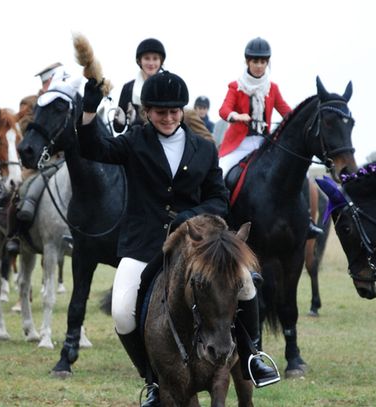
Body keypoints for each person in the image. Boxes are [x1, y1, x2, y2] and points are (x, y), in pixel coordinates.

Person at [79, 71, 280, 406]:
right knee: (122, 311)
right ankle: (154, 379)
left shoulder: (203, 148)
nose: (169, 118)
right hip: (144, 242)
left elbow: (219, 197)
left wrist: (190, 218)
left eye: (174, 111)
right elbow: (92, 148)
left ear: (182, 111)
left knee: (245, 282)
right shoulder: (133, 142)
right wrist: (88, 111)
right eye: (160, 112)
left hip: (197, 242)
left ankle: (251, 357)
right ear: (147, 112)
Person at [218, 37, 323, 238]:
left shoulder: (271, 88)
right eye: (255, 61)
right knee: (221, 172)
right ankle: (221, 218)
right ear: (247, 62)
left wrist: (300, 123)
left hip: (265, 143)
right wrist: (237, 116)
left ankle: (307, 221)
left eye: (263, 62)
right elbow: (224, 109)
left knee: (301, 176)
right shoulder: (235, 86)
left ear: (267, 63)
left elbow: (286, 111)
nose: (259, 66)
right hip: (239, 144)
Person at [112, 38, 165, 133]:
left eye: (155, 58)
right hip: (133, 141)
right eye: (147, 58)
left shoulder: (168, 86)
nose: (151, 63)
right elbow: (118, 129)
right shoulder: (128, 88)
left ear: (161, 61)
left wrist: (136, 120)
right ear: (139, 61)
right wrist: (120, 121)